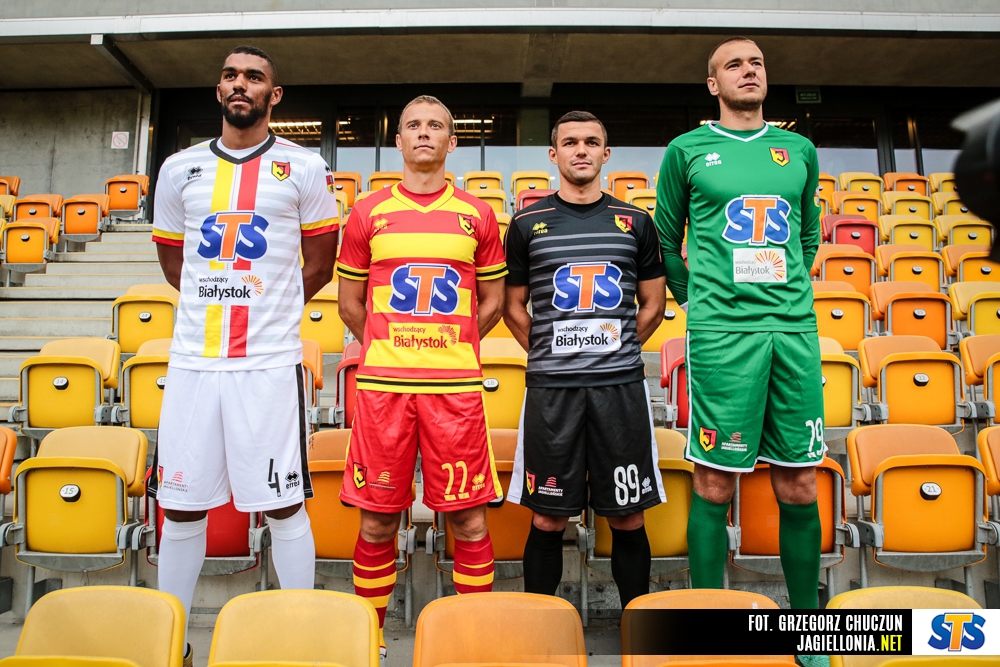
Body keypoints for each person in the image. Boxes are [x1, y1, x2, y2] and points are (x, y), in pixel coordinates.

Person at [152, 45, 339, 664]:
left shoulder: (304, 167)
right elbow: (175, 264)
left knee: (283, 503)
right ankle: (170, 642)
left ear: (273, 95)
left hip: (267, 363)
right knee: (180, 507)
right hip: (193, 364)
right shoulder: (178, 168)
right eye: (230, 75)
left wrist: (264, 308)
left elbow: (320, 263)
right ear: (218, 90)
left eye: (254, 77)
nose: (241, 84)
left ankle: (298, 643)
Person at [653, 37, 825, 619]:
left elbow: (806, 236)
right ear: (713, 84)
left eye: (756, 63)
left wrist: (788, 287)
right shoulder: (687, 150)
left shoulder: (798, 149)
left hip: (793, 332)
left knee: (800, 484)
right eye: (734, 65)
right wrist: (697, 300)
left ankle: (810, 630)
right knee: (714, 483)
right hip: (722, 335)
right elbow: (664, 240)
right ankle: (713, 625)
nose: (748, 71)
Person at [336, 95, 507, 662]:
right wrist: (389, 346)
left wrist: (453, 344)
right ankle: (372, 641)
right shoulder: (367, 212)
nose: (424, 133)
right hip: (383, 392)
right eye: (414, 125)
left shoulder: (478, 214)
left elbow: (492, 300)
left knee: (469, 520)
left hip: (455, 393)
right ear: (400, 141)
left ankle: (472, 645)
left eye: (436, 126)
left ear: (452, 142)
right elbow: (350, 302)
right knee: (378, 522)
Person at [504, 111, 667, 610]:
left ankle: (637, 628)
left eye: (591, 142)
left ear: (606, 154)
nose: (581, 150)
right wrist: (549, 351)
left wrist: (617, 347)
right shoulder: (526, 223)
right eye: (571, 142)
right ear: (553, 154)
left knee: (629, 516)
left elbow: (653, 304)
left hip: (620, 389)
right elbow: (513, 306)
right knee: (547, 516)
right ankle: (541, 628)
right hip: (552, 392)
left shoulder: (636, 222)